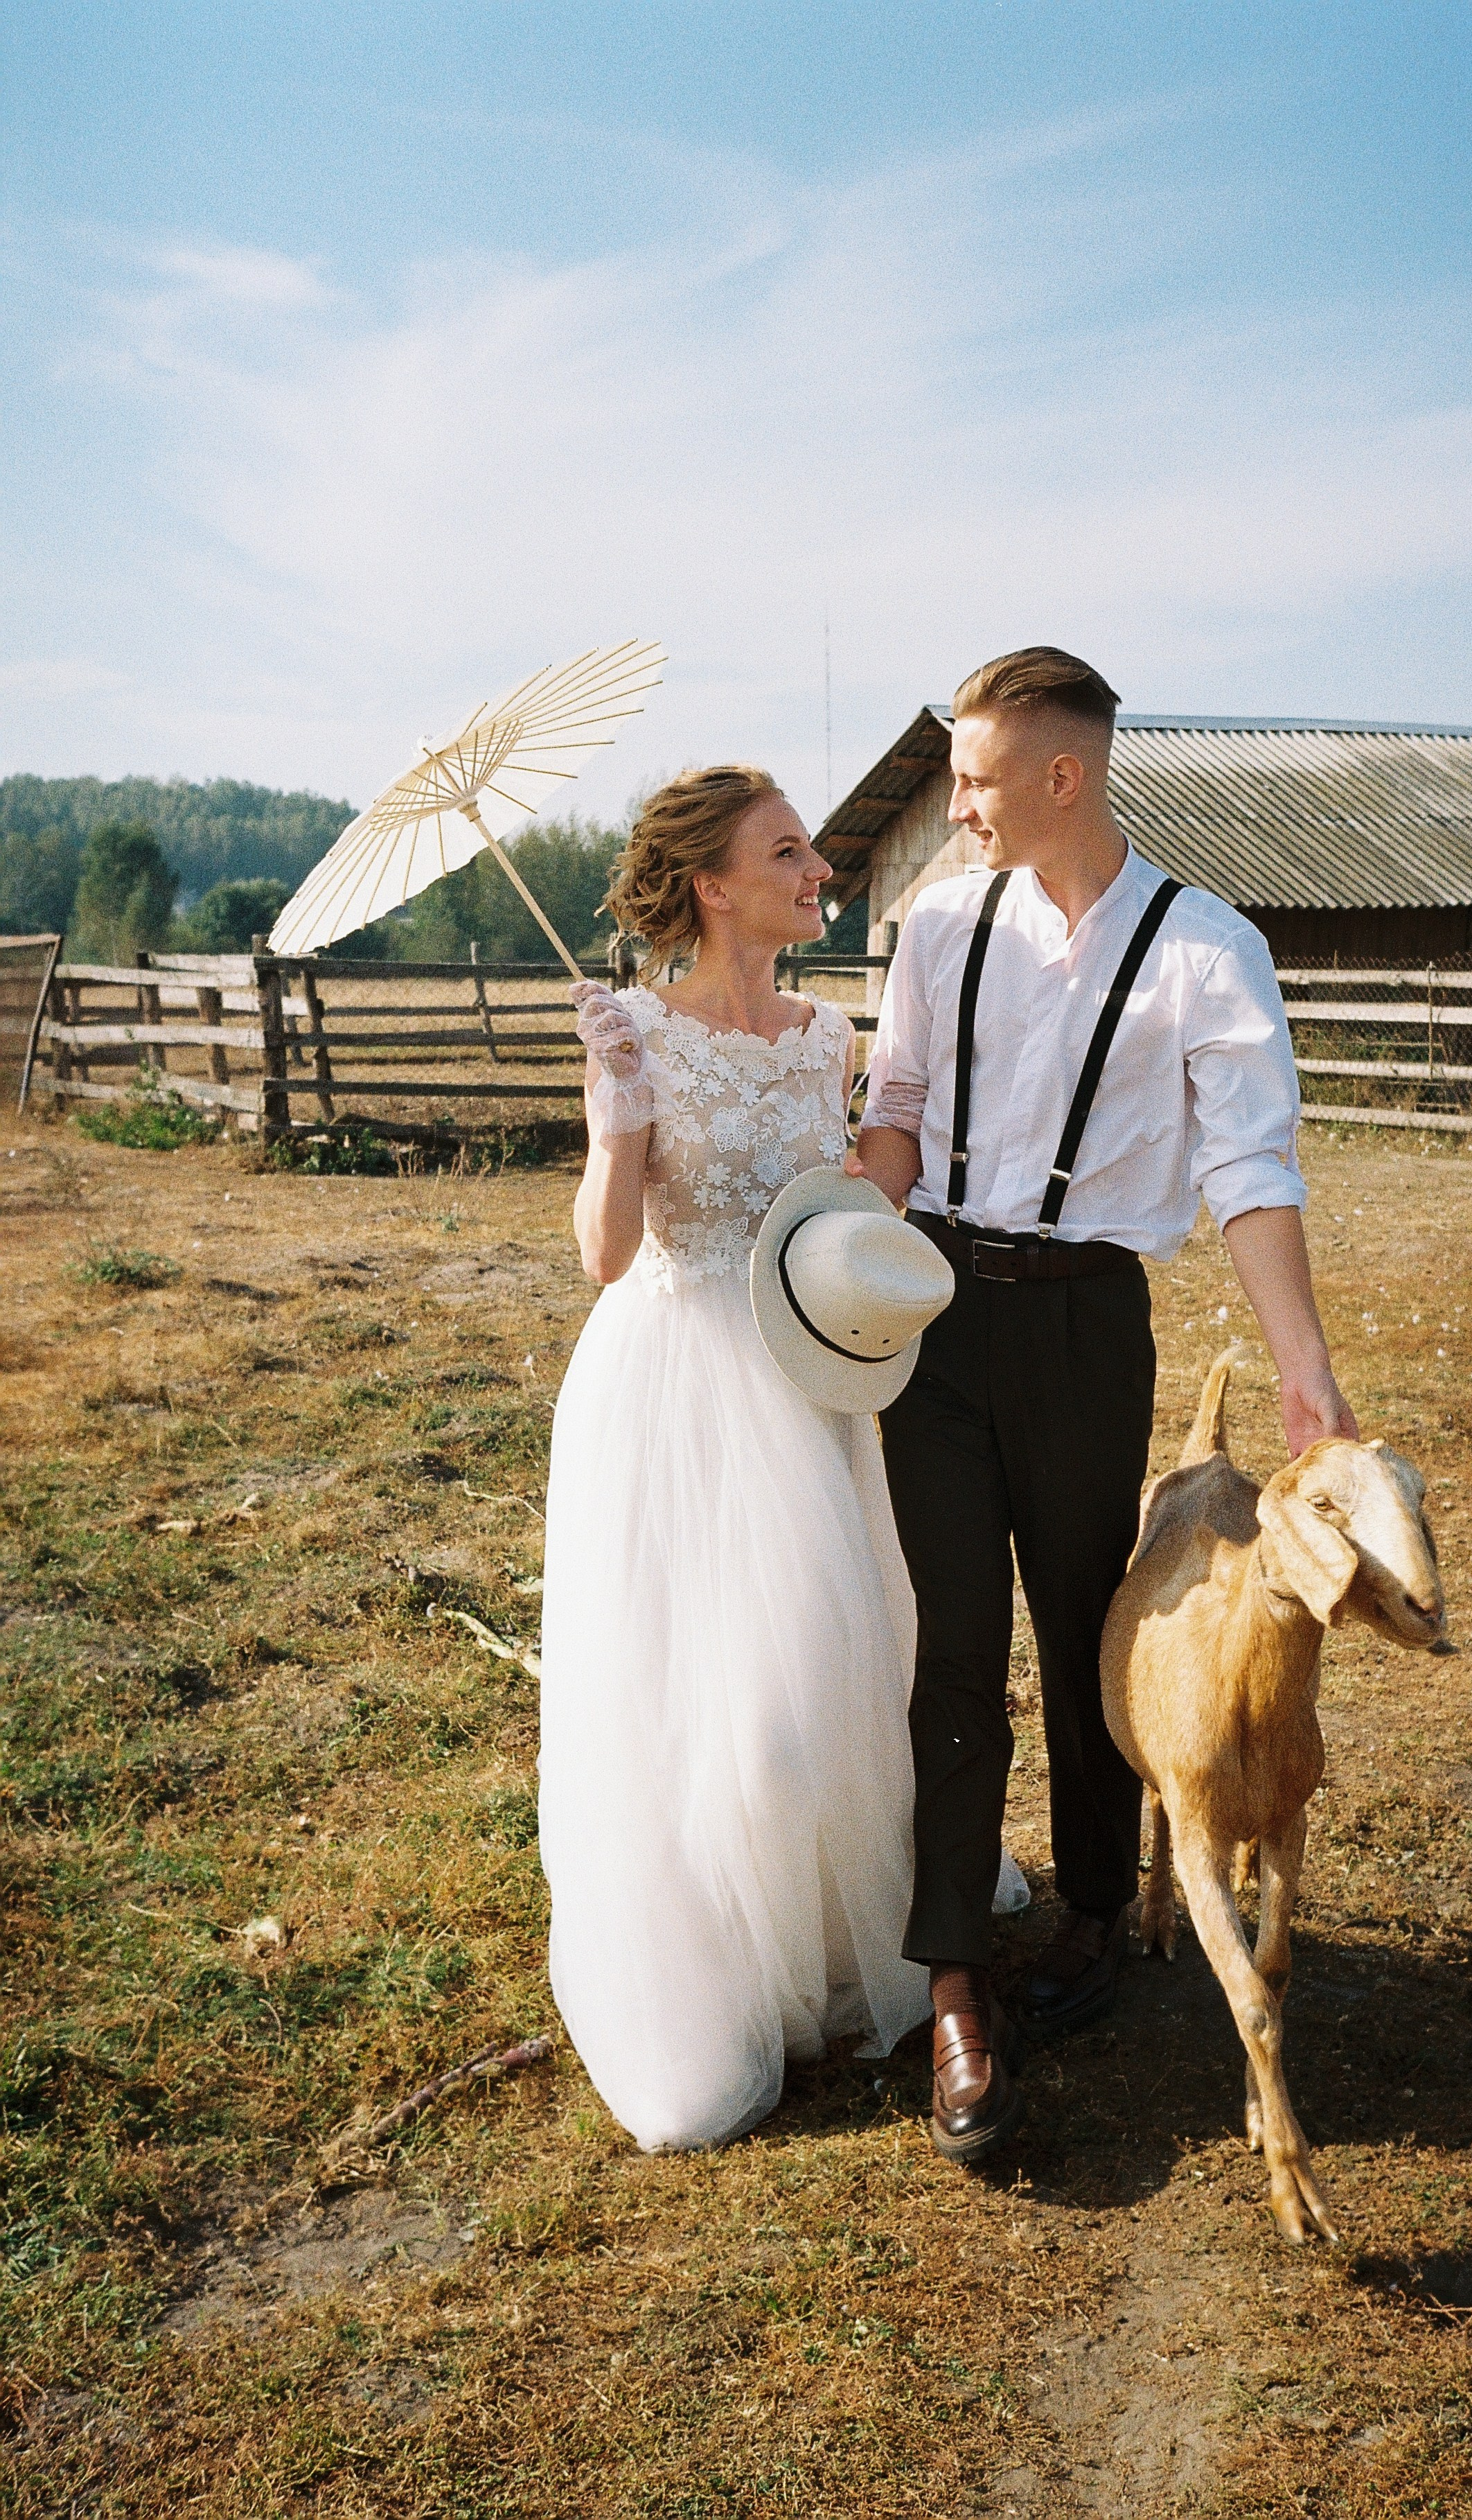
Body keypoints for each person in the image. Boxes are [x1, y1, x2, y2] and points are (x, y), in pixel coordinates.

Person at [849, 646, 1357, 2165]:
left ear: (1061, 775)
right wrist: (824, 1245)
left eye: (977, 776)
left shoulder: (1209, 951)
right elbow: (893, 1111)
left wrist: (1301, 1371)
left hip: (1085, 1324)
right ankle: (951, 1971)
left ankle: (1083, 1904)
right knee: (949, 1635)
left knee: (1083, 1621)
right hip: (932, 1311)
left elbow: (1249, 1172)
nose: (956, 804)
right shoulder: (938, 919)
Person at [539, 765, 931, 2151]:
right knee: (701, 1693)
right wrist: (615, 1105)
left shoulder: (828, 1031)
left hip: (807, 1375)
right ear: (712, 883)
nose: (818, 869)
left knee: (829, 1662)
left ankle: (826, 1938)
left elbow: (845, 1196)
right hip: (676, 1381)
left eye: (812, 850)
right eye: (788, 852)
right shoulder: (634, 1026)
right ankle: (711, 1969)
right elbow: (601, 1251)